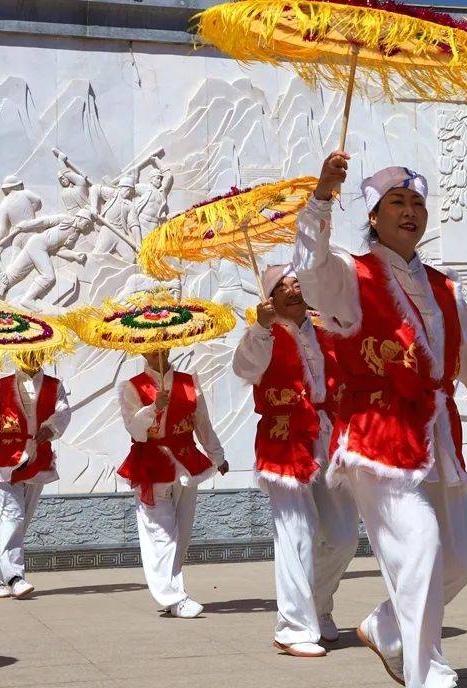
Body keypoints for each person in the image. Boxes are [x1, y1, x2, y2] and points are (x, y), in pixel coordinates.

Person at [292, 151, 467, 688]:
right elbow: (310, 273)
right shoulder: (350, 274)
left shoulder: (446, 287)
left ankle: (387, 629)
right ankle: (428, 673)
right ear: (373, 215)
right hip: (376, 432)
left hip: (437, 433)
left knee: (460, 559)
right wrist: (321, 198)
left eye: (418, 202)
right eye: (397, 201)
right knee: (418, 545)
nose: (410, 211)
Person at [232, 264, 359, 658]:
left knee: (343, 536)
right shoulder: (264, 335)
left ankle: (317, 605)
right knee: (296, 532)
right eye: (281, 286)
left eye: (297, 282)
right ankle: (291, 626)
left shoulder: (325, 331)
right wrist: (260, 328)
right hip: (284, 440)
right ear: (269, 298)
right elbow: (245, 369)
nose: (292, 289)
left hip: (327, 435)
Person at [117, 349, 229, 618]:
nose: (158, 351)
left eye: (164, 345)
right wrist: (154, 407)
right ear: (142, 350)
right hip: (151, 464)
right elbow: (134, 430)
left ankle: (173, 594)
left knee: (182, 533)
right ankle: (172, 596)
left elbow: (202, 423)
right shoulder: (132, 387)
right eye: (152, 346)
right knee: (161, 532)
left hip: (186, 462)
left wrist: (217, 455)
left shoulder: (189, 382)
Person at [0, 360, 71, 599]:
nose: (32, 355)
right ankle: (15, 577)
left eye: (37, 350)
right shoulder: (0, 385)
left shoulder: (54, 385)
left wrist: (52, 427)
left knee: (19, 522)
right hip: (5, 458)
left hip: (37, 456)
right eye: (26, 350)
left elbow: (63, 413)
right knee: (12, 518)